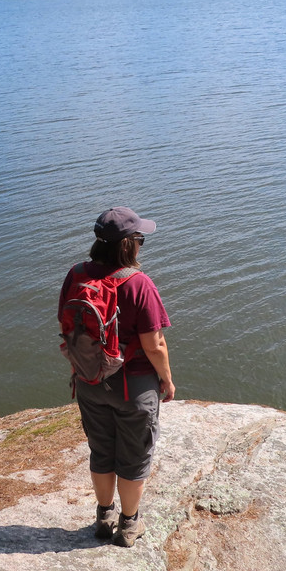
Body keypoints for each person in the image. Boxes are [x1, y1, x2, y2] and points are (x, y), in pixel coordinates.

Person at [57, 206, 174, 547]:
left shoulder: (75, 274)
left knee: (102, 451)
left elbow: (69, 330)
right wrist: (166, 380)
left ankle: (104, 516)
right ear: (128, 245)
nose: (141, 244)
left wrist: (80, 371)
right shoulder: (138, 283)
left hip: (90, 382)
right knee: (134, 458)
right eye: (140, 239)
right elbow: (155, 345)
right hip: (133, 386)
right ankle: (129, 525)